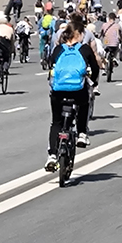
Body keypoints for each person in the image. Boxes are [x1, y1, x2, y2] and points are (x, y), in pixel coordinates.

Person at [45, 23, 90, 170]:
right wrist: (94, 81)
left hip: (58, 91)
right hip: (77, 90)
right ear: (78, 35)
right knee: (84, 104)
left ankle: (52, 155)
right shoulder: (84, 49)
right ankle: (82, 133)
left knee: (56, 123)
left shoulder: (58, 49)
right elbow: (94, 68)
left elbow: (50, 64)